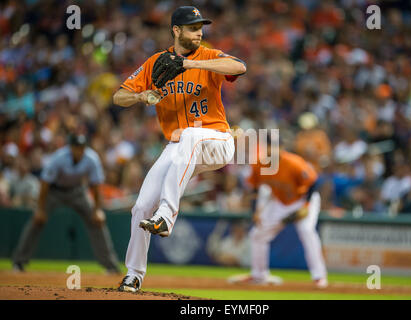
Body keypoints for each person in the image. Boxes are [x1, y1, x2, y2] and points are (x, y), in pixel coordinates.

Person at [113, 6, 246, 292]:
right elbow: (118, 96)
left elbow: (239, 67)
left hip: (217, 141)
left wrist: (191, 65)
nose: (199, 31)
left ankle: (166, 215)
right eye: (193, 27)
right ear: (176, 30)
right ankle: (133, 275)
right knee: (140, 206)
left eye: (201, 26)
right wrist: (141, 95)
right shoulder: (156, 63)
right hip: (180, 148)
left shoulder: (209, 56)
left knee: (190, 136)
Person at [12, 134, 121, 273]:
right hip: (54, 192)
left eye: (81, 147)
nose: (79, 150)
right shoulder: (59, 157)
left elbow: (96, 186)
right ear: (70, 147)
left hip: (78, 191)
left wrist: (97, 210)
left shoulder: (91, 158)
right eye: (76, 147)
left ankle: (111, 266)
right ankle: (19, 262)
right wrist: (40, 209)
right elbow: (45, 184)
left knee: (97, 222)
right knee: (36, 221)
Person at [228, 138, 328, 288]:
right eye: (267, 146)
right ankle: (259, 275)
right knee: (258, 234)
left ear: (281, 147)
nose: (270, 150)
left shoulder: (294, 162)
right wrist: (255, 211)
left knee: (306, 231)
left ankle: (319, 277)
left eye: (273, 146)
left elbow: (315, 182)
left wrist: (306, 206)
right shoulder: (259, 164)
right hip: (280, 203)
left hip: (303, 200)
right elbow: (254, 188)